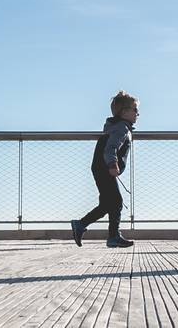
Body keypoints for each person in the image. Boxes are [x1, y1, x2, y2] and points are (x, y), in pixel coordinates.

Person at [71, 91, 138, 248]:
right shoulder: (121, 128)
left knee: (108, 204)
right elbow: (110, 148)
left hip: (100, 167)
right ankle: (112, 236)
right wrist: (113, 164)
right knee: (116, 202)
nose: (137, 113)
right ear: (124, 112)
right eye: (135, 109)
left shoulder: (116, 126)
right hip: (105, 167)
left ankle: (81, 225)